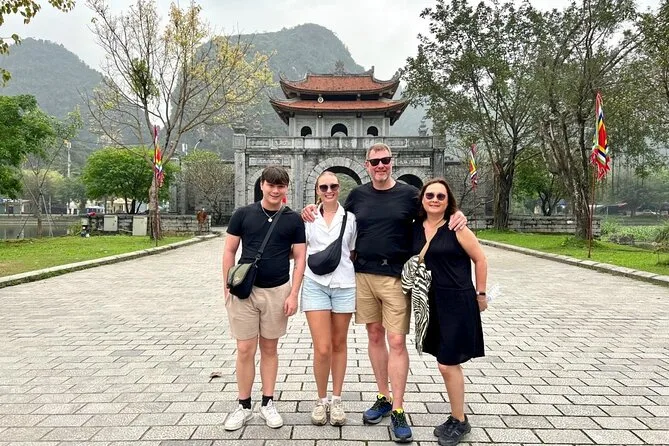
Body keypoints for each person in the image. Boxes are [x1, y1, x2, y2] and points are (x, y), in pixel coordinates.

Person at [302, 143, 467, 444]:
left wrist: (458, 214)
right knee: (375, 336)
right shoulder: (357, 196)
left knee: (397, 341)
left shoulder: (409, 194)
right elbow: (336, 217)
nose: (380, 165)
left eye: (385, 160)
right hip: (364, 275)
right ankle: (383, 397)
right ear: (366, 165)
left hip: (396, 277)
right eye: (375, 161)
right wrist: (310, 209)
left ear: (393, 162)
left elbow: (435, 210)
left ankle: (399, 409)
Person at [222, 165, 306, 431]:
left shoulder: (293, 220)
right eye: (271, 185)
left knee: (270, 349)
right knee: (245, 349)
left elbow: (300, 257)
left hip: (277, 291)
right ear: (262, 185)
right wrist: (226, 286)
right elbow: (229, 250)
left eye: (280, 186)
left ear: (286, 188)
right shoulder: (243, 214)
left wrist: (294, 293)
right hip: (245, 292)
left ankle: (267, 402)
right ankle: (244, 405)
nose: (275, 190)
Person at [411, 178, 487, 446]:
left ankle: (460, 420)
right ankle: (456, 417)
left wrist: (481, 294)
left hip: (457, 300)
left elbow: (480, 259)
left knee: (447, 363)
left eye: (440, 196)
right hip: (431, 302)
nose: (434, 200)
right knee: (444, 361)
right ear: (422, 199)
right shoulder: (415, 227)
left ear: (448, 201)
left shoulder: (457, 227)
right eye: (430, 195)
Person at [302, 171, 357, 426]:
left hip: (344, 285)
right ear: (317, 190)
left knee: (339, 343)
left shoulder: (351, 219)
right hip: (315, 284)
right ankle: (321, 399)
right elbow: (299, 249)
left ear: (339, 187)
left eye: (333, 186)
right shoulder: (308, 217)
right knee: (322, 347)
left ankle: (336, 399)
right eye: (323, 187)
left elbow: (352, 252)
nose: (329, 191)